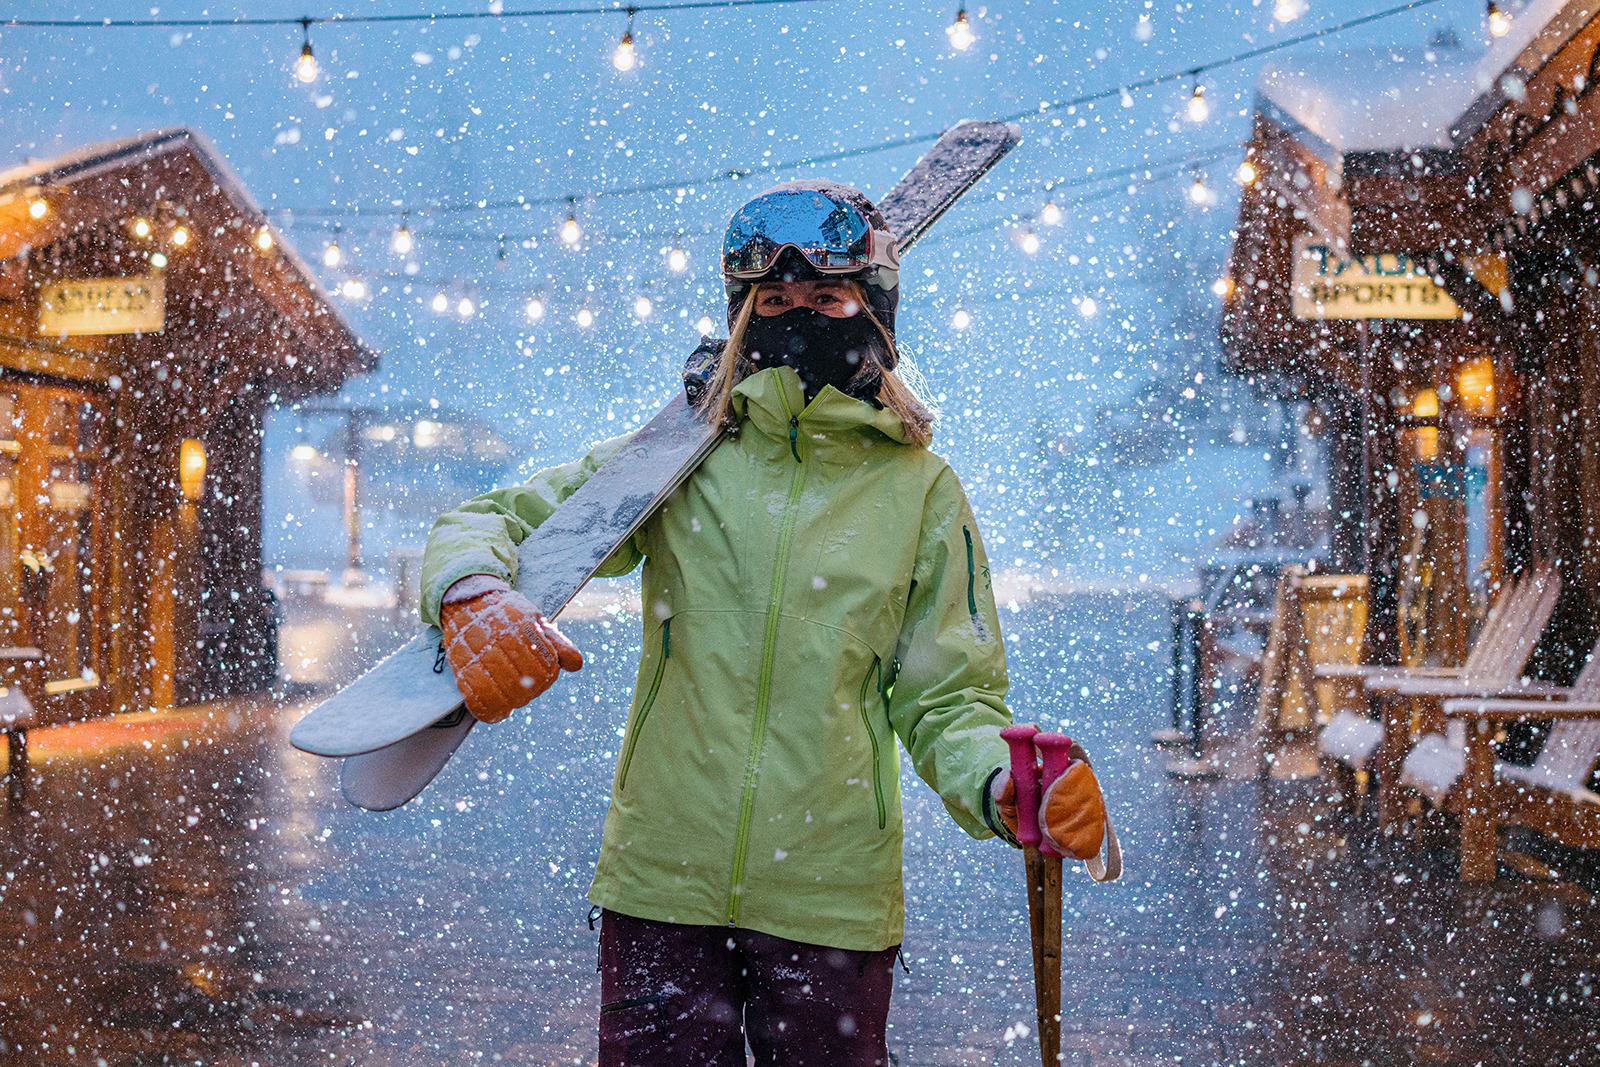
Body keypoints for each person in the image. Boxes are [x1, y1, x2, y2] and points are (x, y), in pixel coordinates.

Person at [417, 181, 1112, 1066]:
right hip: (662, 886)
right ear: (741, 316)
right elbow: (498, 519)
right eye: (772, 301)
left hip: (830, 898)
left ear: (875, 314)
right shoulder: (678, 460)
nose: (797, 318)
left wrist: (1002, 786)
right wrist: (472, 589)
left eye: (826, 298)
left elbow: (947, 700)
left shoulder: (919, 492)